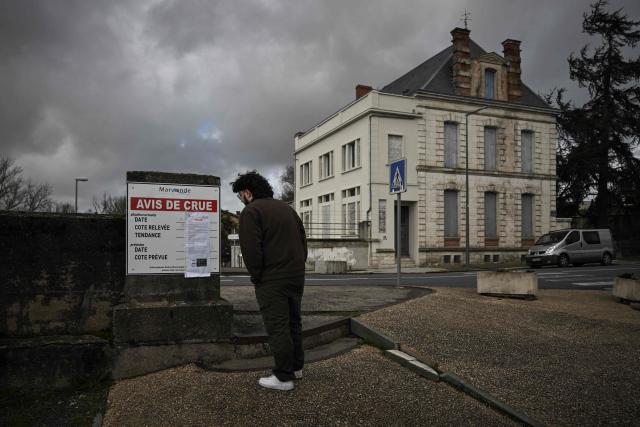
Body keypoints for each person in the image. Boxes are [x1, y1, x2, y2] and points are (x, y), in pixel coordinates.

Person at [231, 171, 307, 391]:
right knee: (294, 323)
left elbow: (251, 251)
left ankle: (284, 378)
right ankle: (296, 368)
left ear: (247, 192)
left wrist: (257, 276)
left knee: (278, 327)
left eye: (240, 194)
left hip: (272, 279)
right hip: (296, 276)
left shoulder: (251, 211)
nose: (241, 199)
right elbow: (303, 244)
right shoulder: (287, 209)